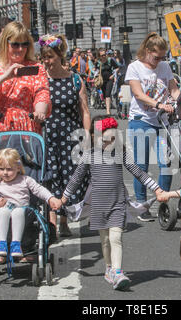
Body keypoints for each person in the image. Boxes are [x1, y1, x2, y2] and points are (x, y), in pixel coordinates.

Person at [53, 115, 165, 290]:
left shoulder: (120, 153)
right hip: (98, 204)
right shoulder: (89, 155)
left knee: (116, 237)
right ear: (94, 137)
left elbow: (139, 172)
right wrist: (63, 198)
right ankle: (108, 269)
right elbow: (76, 178)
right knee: (105, 241)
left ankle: (118, 271)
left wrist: (157, 189)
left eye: (113, 138)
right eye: (106, 139)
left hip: (117, 202)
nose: (110, 143)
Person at [0, 21, 51, 224]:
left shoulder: (36, 68)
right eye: (15, 44)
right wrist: (5, 76)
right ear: (5, 42)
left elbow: (42, 91)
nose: (20, 49)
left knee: (25, 180)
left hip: (25, 132)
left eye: (25, 44)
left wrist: (41, 108)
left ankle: (27, 235)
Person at [39, 33, 91, 238]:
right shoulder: (41, 80)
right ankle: (52, 222)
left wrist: (87, 135)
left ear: (60, 56)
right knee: (51, 179)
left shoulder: (75, 80)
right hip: (48, 136)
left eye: (50, 57)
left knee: (72, 179)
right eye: (44, 57)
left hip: (71, 136)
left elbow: (84, 110)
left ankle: (63, 219)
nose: (47, 62)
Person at [124, 32, 180, 222]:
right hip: (142, 120)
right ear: (147, 51)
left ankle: (163, 200)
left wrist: (178, 99)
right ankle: (141, 204)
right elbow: (138, 94)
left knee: (166, 163)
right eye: (156, 57)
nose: (159, 61)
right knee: (142, 164)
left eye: (162, 57)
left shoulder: (164, 66)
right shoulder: (135, 67)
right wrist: (158, 104)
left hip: (163, 121)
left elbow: (173, 89)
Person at [0, 148, 59, 258]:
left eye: (9, 169)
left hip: (24, 214)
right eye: (1, 169)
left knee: (17, 211)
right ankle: (1, 243)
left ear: (18, 167)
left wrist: (50, 198)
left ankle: (16, 244)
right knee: (1, 211)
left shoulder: (25, 180)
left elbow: (39, 189)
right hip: (4, 214)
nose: (5, 173)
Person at [96, 48, 119, 115]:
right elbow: (96, 70)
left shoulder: (110, 60)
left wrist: (113, 75)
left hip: (109, 79)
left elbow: (117, 67)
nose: (104, 56)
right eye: (102, 55)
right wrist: (96, 74)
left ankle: (108, 111)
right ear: (99, 56)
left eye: (105, 54)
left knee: (107, 94)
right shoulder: (98, 62)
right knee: (105, 95)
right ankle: (108, 107)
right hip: (102, 81)